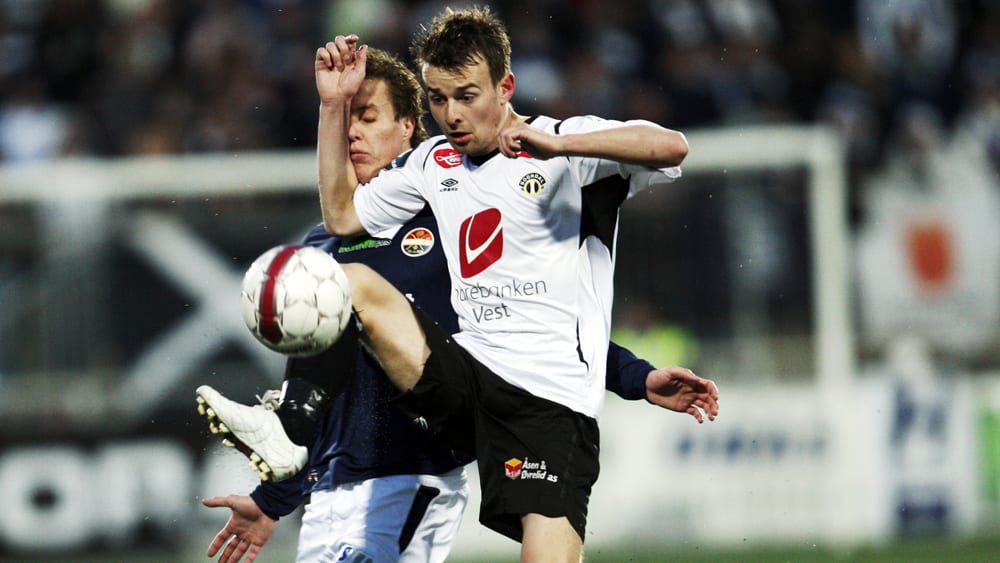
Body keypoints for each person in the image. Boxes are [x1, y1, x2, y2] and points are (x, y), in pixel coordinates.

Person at [197, 47, 715, 563]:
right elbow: (315, 394)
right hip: (329, 489)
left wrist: (634, 376)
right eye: (344, 120)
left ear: (407, 126)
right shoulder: (321, 251)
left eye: (367, 117)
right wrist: (275, 499)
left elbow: (527, 323)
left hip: (407, 479)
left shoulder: (448, 213)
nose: (351, 133)